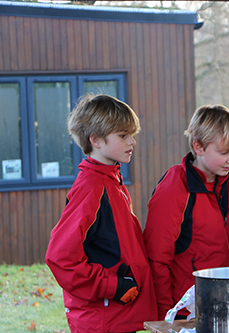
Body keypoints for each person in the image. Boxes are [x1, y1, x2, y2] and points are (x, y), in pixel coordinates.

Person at [45, 94, 157, 332]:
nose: (132, 142)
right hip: (102, 319)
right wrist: (112, 286)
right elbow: (60, 258)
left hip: (118, 315)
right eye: (123, 135)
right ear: (95, 140)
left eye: (132, 134)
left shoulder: (111, 181)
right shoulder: (91, 188)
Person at [144, 104, 229, 320]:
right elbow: (157, 258)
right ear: (198, 147)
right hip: (188, 312)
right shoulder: (174, 187)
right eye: (224, 152)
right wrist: (167, 315)